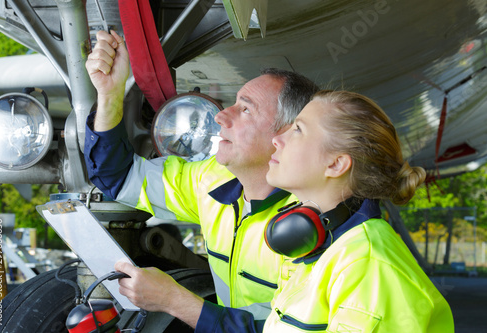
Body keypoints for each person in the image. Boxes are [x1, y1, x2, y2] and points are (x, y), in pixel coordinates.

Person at [84, 30, 319, 325]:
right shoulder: (212, 179)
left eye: (245, 109)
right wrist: (110, 95)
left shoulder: (315, 224)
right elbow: (118, 177)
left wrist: (173, 300)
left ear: (286, 135)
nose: (221, 116)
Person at [191, 90, 454, 332]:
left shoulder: (367, 266)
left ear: (336, 164)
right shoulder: (323, 249)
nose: (277, 139)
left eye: (297, 130)